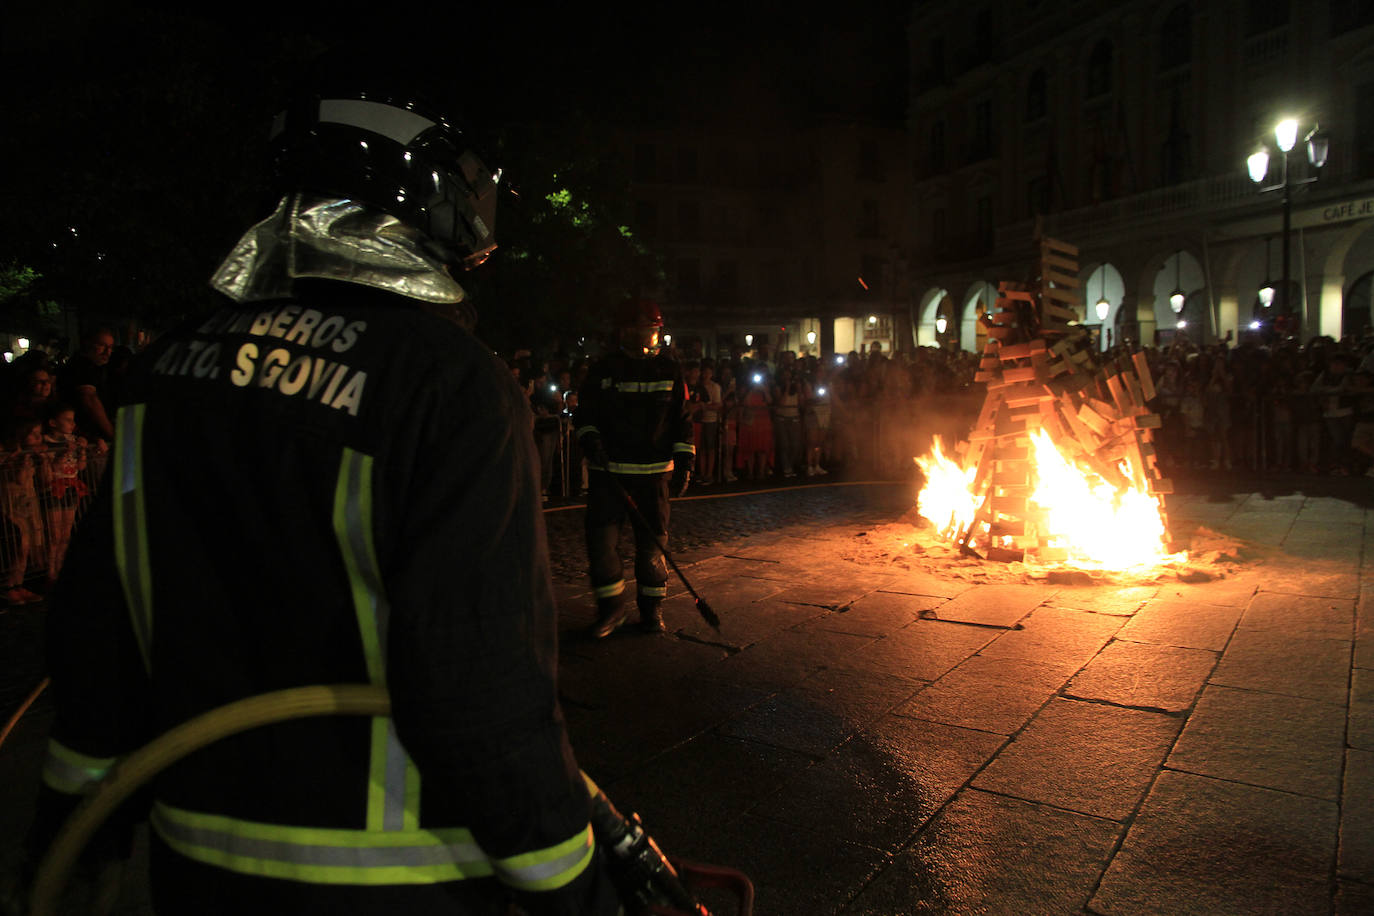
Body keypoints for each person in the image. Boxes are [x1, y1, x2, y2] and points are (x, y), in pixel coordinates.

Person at [17, 74, 621, 916]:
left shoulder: (166, 374)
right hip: (401, 883)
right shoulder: (451, 386)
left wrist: (71, 829)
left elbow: (97, 641)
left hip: (200, 867)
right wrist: (570, 881)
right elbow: (479, 678)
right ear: (431, 211)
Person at [574, 297, 693, 637]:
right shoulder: (603, 369)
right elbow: (585, 415)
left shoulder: (670, 369)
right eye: (641, 333)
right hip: (608, 474)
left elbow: (681, 420)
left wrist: (685, 461)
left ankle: (652, 611)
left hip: (654, 475)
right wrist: (591, 440)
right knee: (601, 545)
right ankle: (611, 612)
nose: (647, 341)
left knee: (652, 550)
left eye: (652, 333)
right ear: (624, 332)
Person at [56, 326, 116, 444]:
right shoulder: (81, 367)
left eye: (110, 347)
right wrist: (112, 434)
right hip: (85, 437)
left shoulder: (98, 369)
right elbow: (90, 399)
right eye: (102, 345)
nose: (108, 352)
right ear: (87, 344)